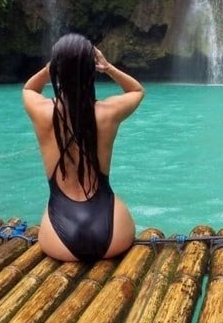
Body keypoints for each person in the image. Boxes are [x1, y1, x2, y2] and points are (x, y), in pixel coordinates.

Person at [22, 33, 143, 262]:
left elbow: (29, 89)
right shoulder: (108, 113)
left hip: (59, 240)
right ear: (91, 69)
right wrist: (107, 67)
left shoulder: (42, 112)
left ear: (56, 69)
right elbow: (137, 91)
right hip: (112, 232)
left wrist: (51, 67)